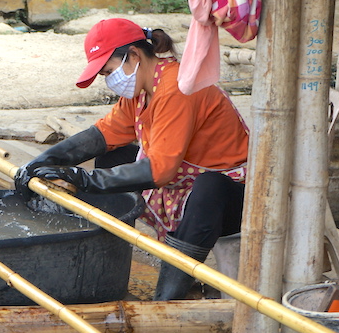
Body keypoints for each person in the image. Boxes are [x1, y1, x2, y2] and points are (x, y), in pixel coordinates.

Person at [14, 18, 249, 300]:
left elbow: (160, 171)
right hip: (184, 182)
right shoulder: (141, 92)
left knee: (210, 188)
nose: (111, 81)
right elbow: (103, 134)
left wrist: (82, 178)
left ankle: (168, 298)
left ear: (134, 56)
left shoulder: (176, 88)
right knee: (109, 156)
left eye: (110, 71)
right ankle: (111, 265)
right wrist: (41, 163)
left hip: (232, 196)